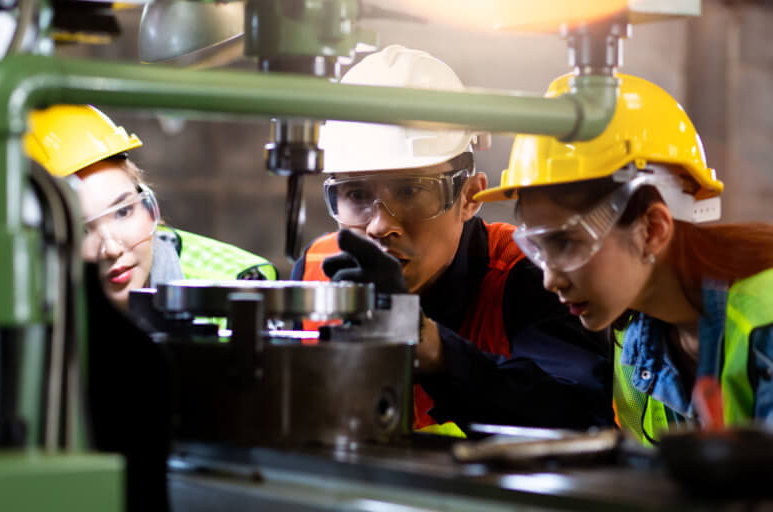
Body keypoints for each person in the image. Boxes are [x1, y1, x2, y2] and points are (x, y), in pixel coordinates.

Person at [292, 45, 613, 433]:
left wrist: (432, 349)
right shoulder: (315, 269)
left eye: (410, 191)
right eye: (356, 194)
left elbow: (579, 419)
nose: (379, 226)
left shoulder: (527, 275)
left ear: (469, 197)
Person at [474, 72, 773, 444]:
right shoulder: (634, 345)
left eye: (566, 243)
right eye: (538, 248)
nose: (550, 280)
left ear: (652, 229)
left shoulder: (764, 318)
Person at [25, 104, 277, 312]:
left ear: (146, 205)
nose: (111, 249)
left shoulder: (236, 287)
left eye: (123, 211)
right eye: (81, 230)